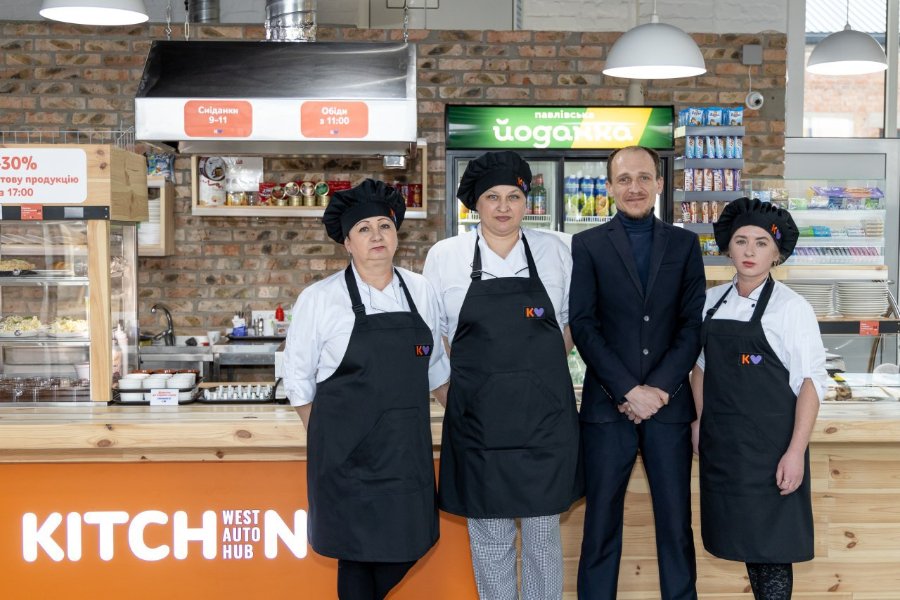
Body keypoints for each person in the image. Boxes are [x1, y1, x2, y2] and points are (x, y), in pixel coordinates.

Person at [423, 150, 582, 600]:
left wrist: (539, 375)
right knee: (491, 539)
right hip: (478, 422)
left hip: (544, 421)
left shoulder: (557, 250)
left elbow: (572, 323)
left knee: (542, 538)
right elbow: (432, 333)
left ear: (527, 201)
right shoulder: (446, 256)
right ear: (475, 204)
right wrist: (449, 393)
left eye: (513, 196)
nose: (503, 207)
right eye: (492, 197)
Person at [282, 179, 450, 600]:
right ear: (347, 243)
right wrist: (329, 439)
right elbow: (298, 381)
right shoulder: (320, 298)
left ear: (396, 234)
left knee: (405, 548)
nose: (377, 235)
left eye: (384, 226)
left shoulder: (421, 290)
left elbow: (435, 369)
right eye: (364, 229)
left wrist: (469, 422)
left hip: (405, 453)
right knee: (355, 557)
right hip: (346, 457)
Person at [570, 145, 706, 600]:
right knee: (600, 527)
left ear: (659, 183)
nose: (635, 187)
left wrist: (659, 390)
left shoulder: (684, 245)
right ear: (609, 186)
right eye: (624, 179)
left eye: (644, 177)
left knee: (676, 525)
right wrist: (628, 390)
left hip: (669, 410)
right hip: (607, 410)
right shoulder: (588, 244)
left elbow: (692, 326)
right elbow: (584, 325)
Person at [690, 197, 825, 600]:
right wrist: (698, 422)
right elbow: (700, 368)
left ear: (776, 254)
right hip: (725, 450)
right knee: (746, 544)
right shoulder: (710, 303)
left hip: (772, 450)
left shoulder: (791, 308)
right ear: (727, 248)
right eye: (741, 241)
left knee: (773, 550)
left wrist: (795, 452)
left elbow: (811, 383)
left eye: (762, 243)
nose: (750, 251)